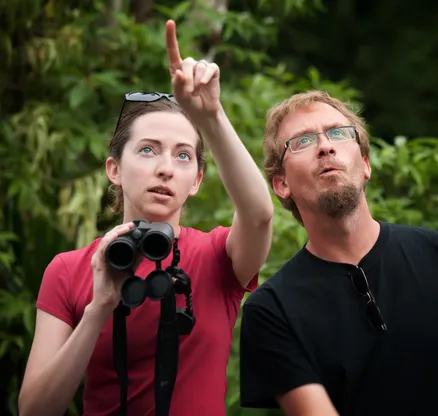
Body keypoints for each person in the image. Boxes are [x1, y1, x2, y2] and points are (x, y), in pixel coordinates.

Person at [18, 19, 273, 416]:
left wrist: (211, 116)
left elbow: (259, 216)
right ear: (114, 169)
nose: (166, 168)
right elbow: (35, 410)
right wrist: (99, 306)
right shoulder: (68, 271)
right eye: (148, 150)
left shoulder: (216, 257)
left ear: (196, 181)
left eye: (183, 155)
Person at [238, 90, 438, 415]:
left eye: (337, 133)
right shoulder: (272, 309)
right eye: (303, 141)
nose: (325, 146)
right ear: (281, 184)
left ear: (364, 165)